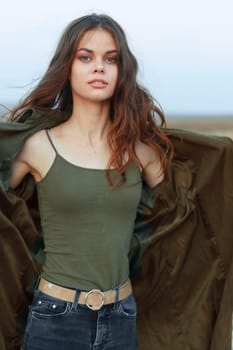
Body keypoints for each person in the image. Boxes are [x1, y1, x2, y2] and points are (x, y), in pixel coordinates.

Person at [9, 13, 173, 350]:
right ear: (66, 67)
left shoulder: (142, 153)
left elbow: (186, 215)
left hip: (122, 316)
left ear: (121, 71)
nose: (99, 67)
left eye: (110, 59)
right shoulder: (38, 147)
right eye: (86, 57)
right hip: (54, 320)